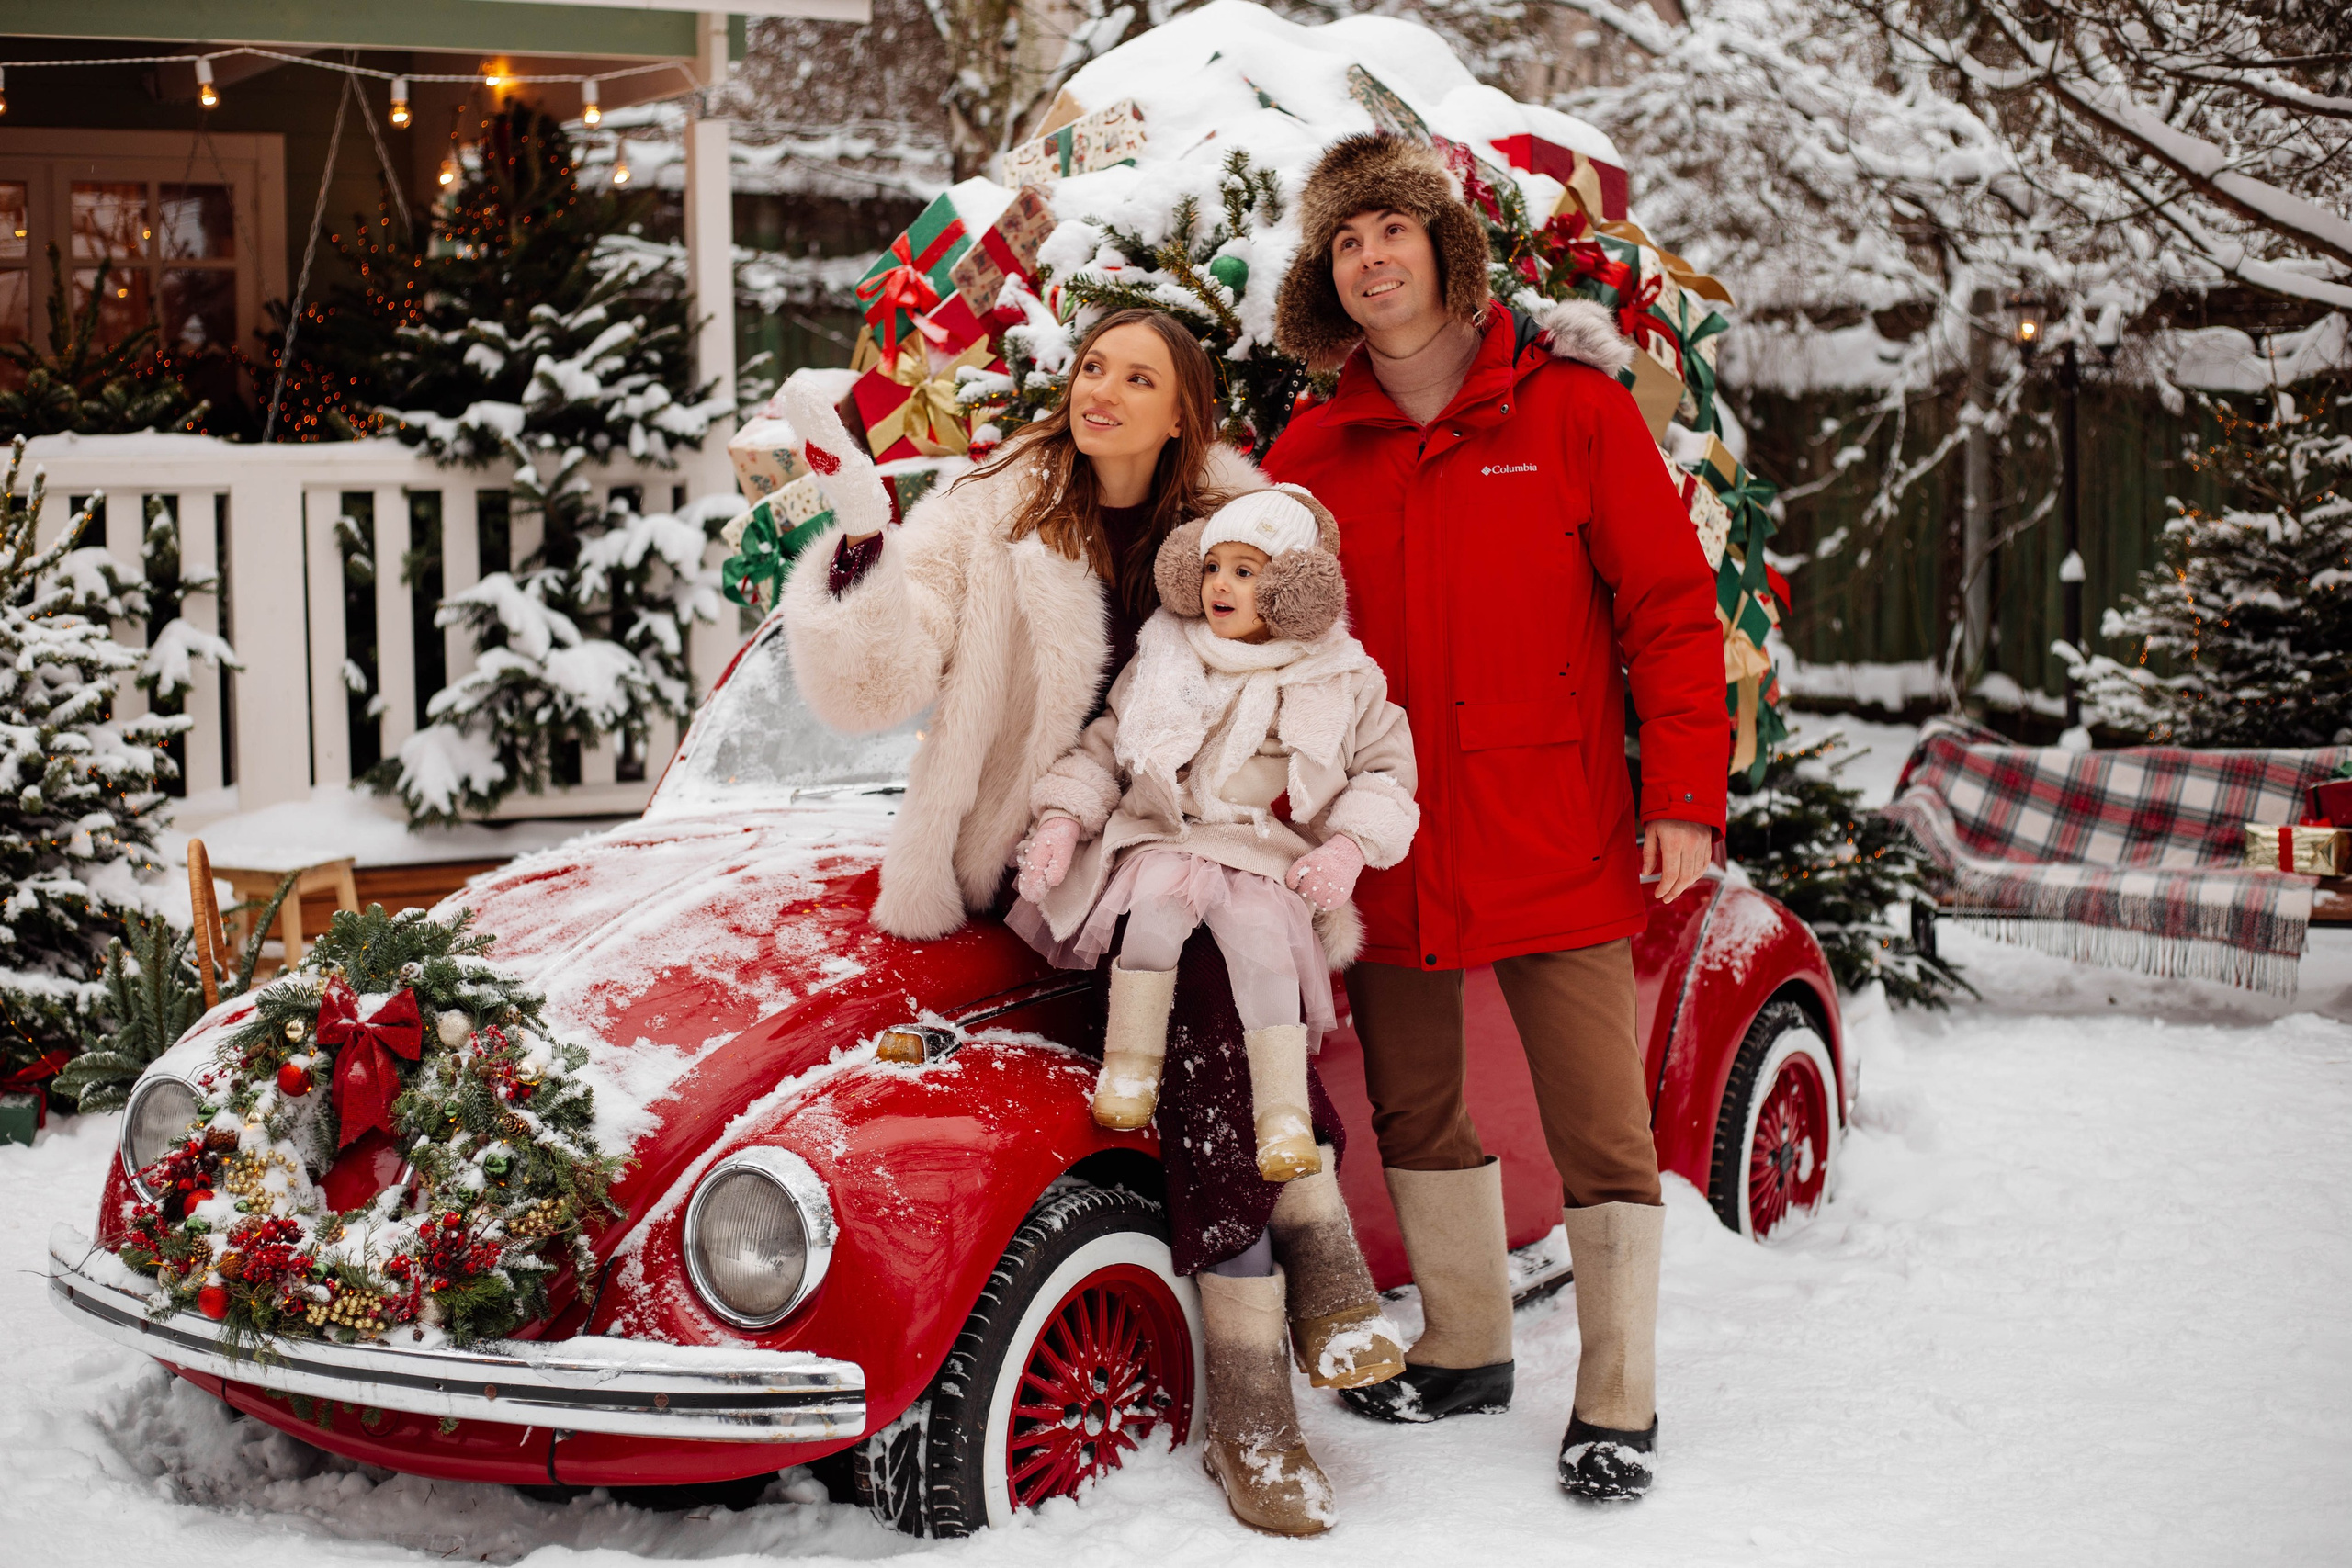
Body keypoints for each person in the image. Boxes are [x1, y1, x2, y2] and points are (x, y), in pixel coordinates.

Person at [776, 310, 1396, 1536]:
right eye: (1094, 367)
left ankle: (1263, 1380)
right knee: (1215, 959)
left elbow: (1325, 692)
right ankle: (1282, 1335)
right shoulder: (989, 505)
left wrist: (1320, 827)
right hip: (1042, 850)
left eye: (1139, 375)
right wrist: (862, 537)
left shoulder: (1245, 523)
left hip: (1217, 842)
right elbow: (876, 681)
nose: (1102, 390)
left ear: (1185, 412)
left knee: (1220, 940)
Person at [1263, 133, 1730, 1502]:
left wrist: (1684, 797)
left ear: (1448, 252)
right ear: (1326, 276)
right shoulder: (1309, 448)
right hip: (1388, 840)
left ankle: (1617, 1390)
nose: (1373, 257)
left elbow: (1667, 611)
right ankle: (1466, 1345)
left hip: (1558, 828)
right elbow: (1267, 647)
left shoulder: (1574, 414)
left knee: (1599, 1120)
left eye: (1394, 230)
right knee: (1415, 1102)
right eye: (1347, 242)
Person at [1011, 484, 1420, 1192]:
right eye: (1211, 567)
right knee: (1156, 914)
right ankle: (1130, 1066)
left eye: (1245, 570)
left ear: (1293, 586)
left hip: (1258, 845)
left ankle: (1284, 1113)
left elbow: (1387, 770)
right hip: (1167, 832)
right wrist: (1062, 816)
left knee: (1265, 948)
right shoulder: (1166, 655)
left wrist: (1348, 843)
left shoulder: (1340, 676)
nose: (1221, 585)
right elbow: (1106, 746)